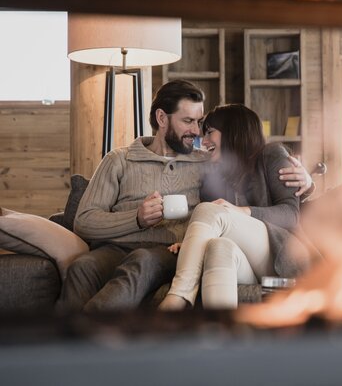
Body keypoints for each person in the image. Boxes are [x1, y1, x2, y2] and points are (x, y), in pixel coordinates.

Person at [57, 81, 312, 313]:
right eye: (188, 121)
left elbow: (281, 206)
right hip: (119, 247)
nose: (197, 132)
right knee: (82, 267)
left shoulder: (208, 163)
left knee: (146, 257)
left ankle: (94, 336)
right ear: (162, 118)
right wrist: (136, 218)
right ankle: (62, 348)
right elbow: (84, 221)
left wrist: (309, 184)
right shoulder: (119, 160)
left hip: (166, 251)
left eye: (201, 124)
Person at [159, 104, 312, 311]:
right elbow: (221, 228)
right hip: (252, 267)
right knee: (219, 247)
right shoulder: (221, 175)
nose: (203, 141)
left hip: (287, 260)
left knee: (209, 209)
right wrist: (192, 243)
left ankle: (178, 297)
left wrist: (242, 211)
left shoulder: (272, 153)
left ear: (233, 131)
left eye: (210, 132)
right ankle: (220, 334)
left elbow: (290, 214)